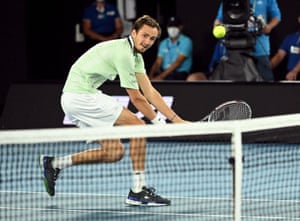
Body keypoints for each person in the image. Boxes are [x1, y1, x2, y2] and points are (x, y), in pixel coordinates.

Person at [39, 15, 187, 207]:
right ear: (133, 33)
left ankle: (55, 164)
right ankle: (138, 190)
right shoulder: (124, 53)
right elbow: (136, 97)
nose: (147, 42)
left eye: (152, 39)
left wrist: (176, 120)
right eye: (144, 36)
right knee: (138, 126)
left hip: (75, 98)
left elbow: (150, 92)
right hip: (81, 96)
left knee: (114, 152)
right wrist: (158, 121)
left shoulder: (136, 57)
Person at [214, 0, 281, 81]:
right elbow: (219, 19)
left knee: (265, 82)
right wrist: (217, 28)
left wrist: (269, 27)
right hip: (235, 46)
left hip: (260, 48)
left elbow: (277, 16)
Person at [270, 16, 300, 80]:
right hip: (291, 77)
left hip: (294, 73)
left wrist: (295, 71)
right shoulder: (290, 38)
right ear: (299, 19)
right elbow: (279, 56)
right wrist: (266, 68)